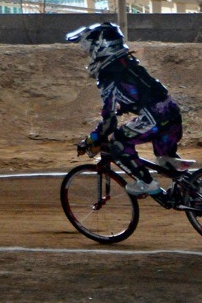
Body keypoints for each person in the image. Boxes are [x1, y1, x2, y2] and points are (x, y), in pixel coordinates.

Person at [67, 22, 192, 196]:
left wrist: (91, 139)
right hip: (171, 111)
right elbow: (140, 93)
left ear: (100, 48)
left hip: (154, 118)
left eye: (89, 51)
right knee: (166, 161)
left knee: (118, 144)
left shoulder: (109, 74)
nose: (89, 56)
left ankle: (147, 183)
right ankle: (196, 193)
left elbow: (109, 123)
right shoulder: (127, 64)